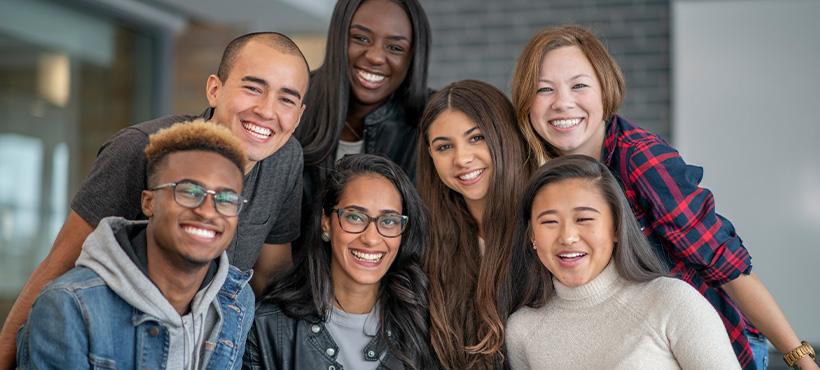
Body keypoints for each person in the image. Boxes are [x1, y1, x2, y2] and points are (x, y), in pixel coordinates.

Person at [511, 25, 818, 370]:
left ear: (605, 91)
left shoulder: (639, 159)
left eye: (579, 85)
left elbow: (723, 261)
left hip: (709, 341)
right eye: (544, 89)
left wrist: (799, 358)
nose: (562, 102)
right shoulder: (537, 170)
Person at [0, 32, 310, 369]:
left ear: (299, 114)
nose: (267, 111)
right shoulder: (142, 150)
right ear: (214, 90)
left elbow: (271, 277)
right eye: (253, 88)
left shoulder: (285, 157)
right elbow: (58, 267)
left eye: (286, 100)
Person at [16, 120, 255, 369]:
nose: (208, 212)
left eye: (226, 198)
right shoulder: (68, 306)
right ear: (148, 203)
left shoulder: (236, 301)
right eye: (188, 192)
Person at [505, 155, 741, 369]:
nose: (567, 237)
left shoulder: (672, 301)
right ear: (532, 236)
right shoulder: (522, 331)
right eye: (549, 222)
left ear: (617, 227)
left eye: (584, 219)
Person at [242, 154, 437, 370]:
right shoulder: (265, 326)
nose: (371, 239)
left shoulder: (428, 323)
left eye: (389, 221)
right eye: (354, 217)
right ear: (326, 222)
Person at [416, 79, 533, 370]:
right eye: (444, 146)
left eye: (476, 138)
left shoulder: (541, 225)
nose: (462, 159)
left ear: (504, 135)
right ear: (430, 155)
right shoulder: (430, 241)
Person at [294, 0, 432, 203]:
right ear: (338, 38)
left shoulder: (434, 119)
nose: (375, 57)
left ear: (413, 57)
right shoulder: (292, 99)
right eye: (361, 38)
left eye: (395, 47)